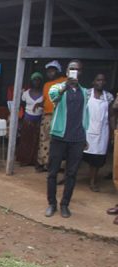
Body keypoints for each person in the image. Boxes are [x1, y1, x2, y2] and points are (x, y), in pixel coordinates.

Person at [45, 60, 89, 218]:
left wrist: (85, 136)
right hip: (59, 136)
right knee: (52, 172)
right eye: (71, 69)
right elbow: (54, 98)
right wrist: (65, 86)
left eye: (77, 69)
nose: (74, 71)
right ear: (66, 71)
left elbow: (86, 115)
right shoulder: (57, 87)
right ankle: (52, 204)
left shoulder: (85, 92)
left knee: (71, 173)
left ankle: (65, 204)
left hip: (77, 137)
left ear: (81, 72)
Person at [83, 73, 114, 192]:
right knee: (77, 155)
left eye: (102, 80)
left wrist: (112, 132)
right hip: (87, 129)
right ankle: (68, 177)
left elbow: (111, 115)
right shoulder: (87, 94)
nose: (100, 82)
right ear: (93, 82)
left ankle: (93, 181)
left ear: (105, 82)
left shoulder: (109, 97)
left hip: (102, 131)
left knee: (97, 159)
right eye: (98, 80)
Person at [37, 60, 67, 171]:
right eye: (48, 71)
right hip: (47, 115)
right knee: (44, 140)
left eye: (52, 71)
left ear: (58, 71)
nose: (50, 73)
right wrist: (39, 104)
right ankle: (44, 163)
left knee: (60, 141)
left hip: (60, 116)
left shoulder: (64, 81)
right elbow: (46, 100)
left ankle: (60, 165)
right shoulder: (46, 85)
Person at [16, 72, 44, 166]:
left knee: (37, 141)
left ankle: (34, 160)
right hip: (28, 120)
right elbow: (22, 105)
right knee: (26, 140)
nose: (36, 82)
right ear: (31, 81)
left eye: (38, 80)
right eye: (34, 80)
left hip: (39, 120)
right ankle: (24, 160)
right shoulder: (26, 93)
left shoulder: (44, 93)